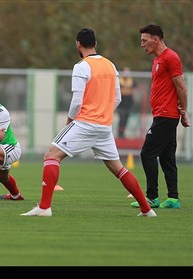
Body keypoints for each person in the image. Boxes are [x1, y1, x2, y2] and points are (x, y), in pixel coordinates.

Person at [21, 28, 156, 217]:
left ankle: (44, 208)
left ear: (78, 44)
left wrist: (70, 120)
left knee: (51, 156)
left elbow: (77, 100)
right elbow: (117, 98)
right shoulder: (110, 65)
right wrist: (103, 114)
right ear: (96, 44)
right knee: (118, 168)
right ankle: (147, 210)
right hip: (104, 126)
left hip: (85, 123)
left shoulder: (81, 66)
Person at [130, 24, 190, 209]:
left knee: (147, 153)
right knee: (167, 157)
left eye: (144, 40)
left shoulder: (170, 57)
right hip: (162, 115)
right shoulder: (157, 60)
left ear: (156, 39)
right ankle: (173, 198)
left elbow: (181, 86)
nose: (142, 44)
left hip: (166, 115)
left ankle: (152, 197)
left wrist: (184, 112)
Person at [117, 66, 137, 138]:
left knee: (126, 118)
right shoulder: (119, 80)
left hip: (129, 102)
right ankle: (120, 133)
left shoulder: (132, 81)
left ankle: (123, 133)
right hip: (121, 103)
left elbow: (135, 89)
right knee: (121, 118)